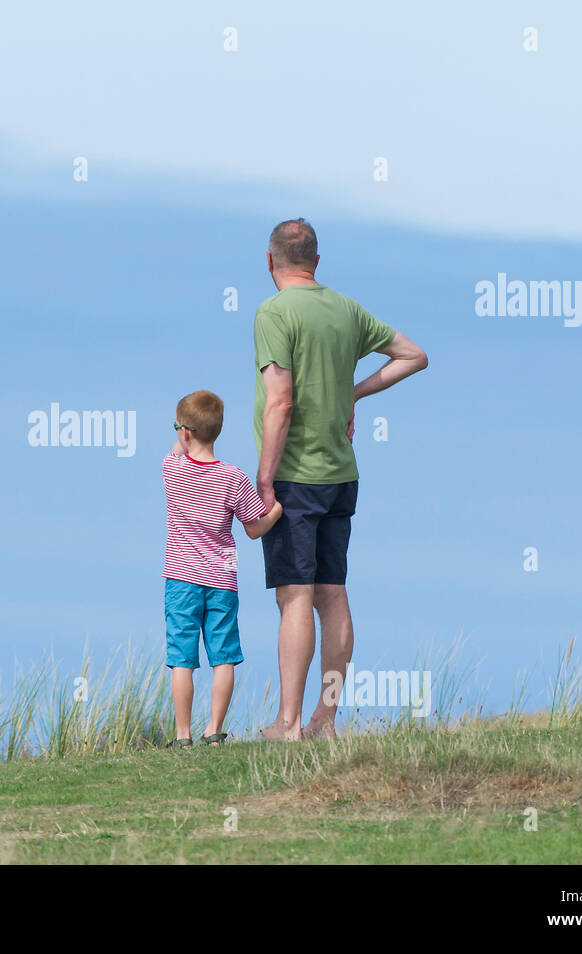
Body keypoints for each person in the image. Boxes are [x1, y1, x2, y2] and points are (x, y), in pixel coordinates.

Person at [253, 219, 428, 742]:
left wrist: (264, 480)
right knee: (333, 594)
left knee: (294, 596)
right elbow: (413, 356)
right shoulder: (346, 308)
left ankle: (286, 723)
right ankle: (324, 721)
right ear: (316, 261)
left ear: (270, 262)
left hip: (293, 475)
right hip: (341, 474)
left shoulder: (274, 312)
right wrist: (352, 392)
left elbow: (279, 401)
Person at [162, 389, 282, 747]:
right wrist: (275, 511)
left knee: (182, 659)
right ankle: (214, 731)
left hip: (181, 579)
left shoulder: (172, 468)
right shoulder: (233, 478)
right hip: (222, 581)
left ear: (184, 431)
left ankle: (182, 736)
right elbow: (253, 528)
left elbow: (176, 449)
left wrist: (183, 434)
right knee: (223, 657)